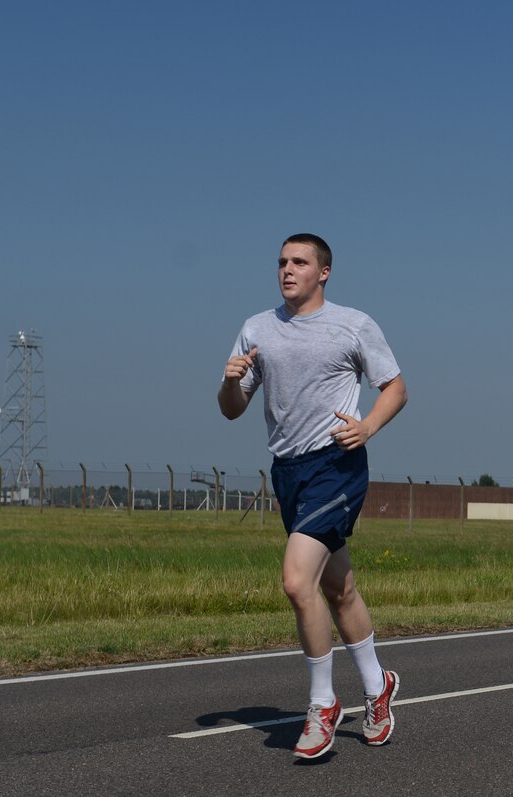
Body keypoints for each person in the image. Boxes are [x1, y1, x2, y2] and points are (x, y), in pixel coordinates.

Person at [220, 233, 408, 759]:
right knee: (338, 588)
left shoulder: (353, 324)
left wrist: (367, 427)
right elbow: (232, 409)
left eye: (299, 262)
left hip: (336, 464)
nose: (287, 270)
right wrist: (230, 382)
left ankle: (322, 704)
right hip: (288, 472)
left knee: (296, 579)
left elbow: (395, 387)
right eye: (281, 262)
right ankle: (379, 687)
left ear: (323, 272)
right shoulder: (257, 329)